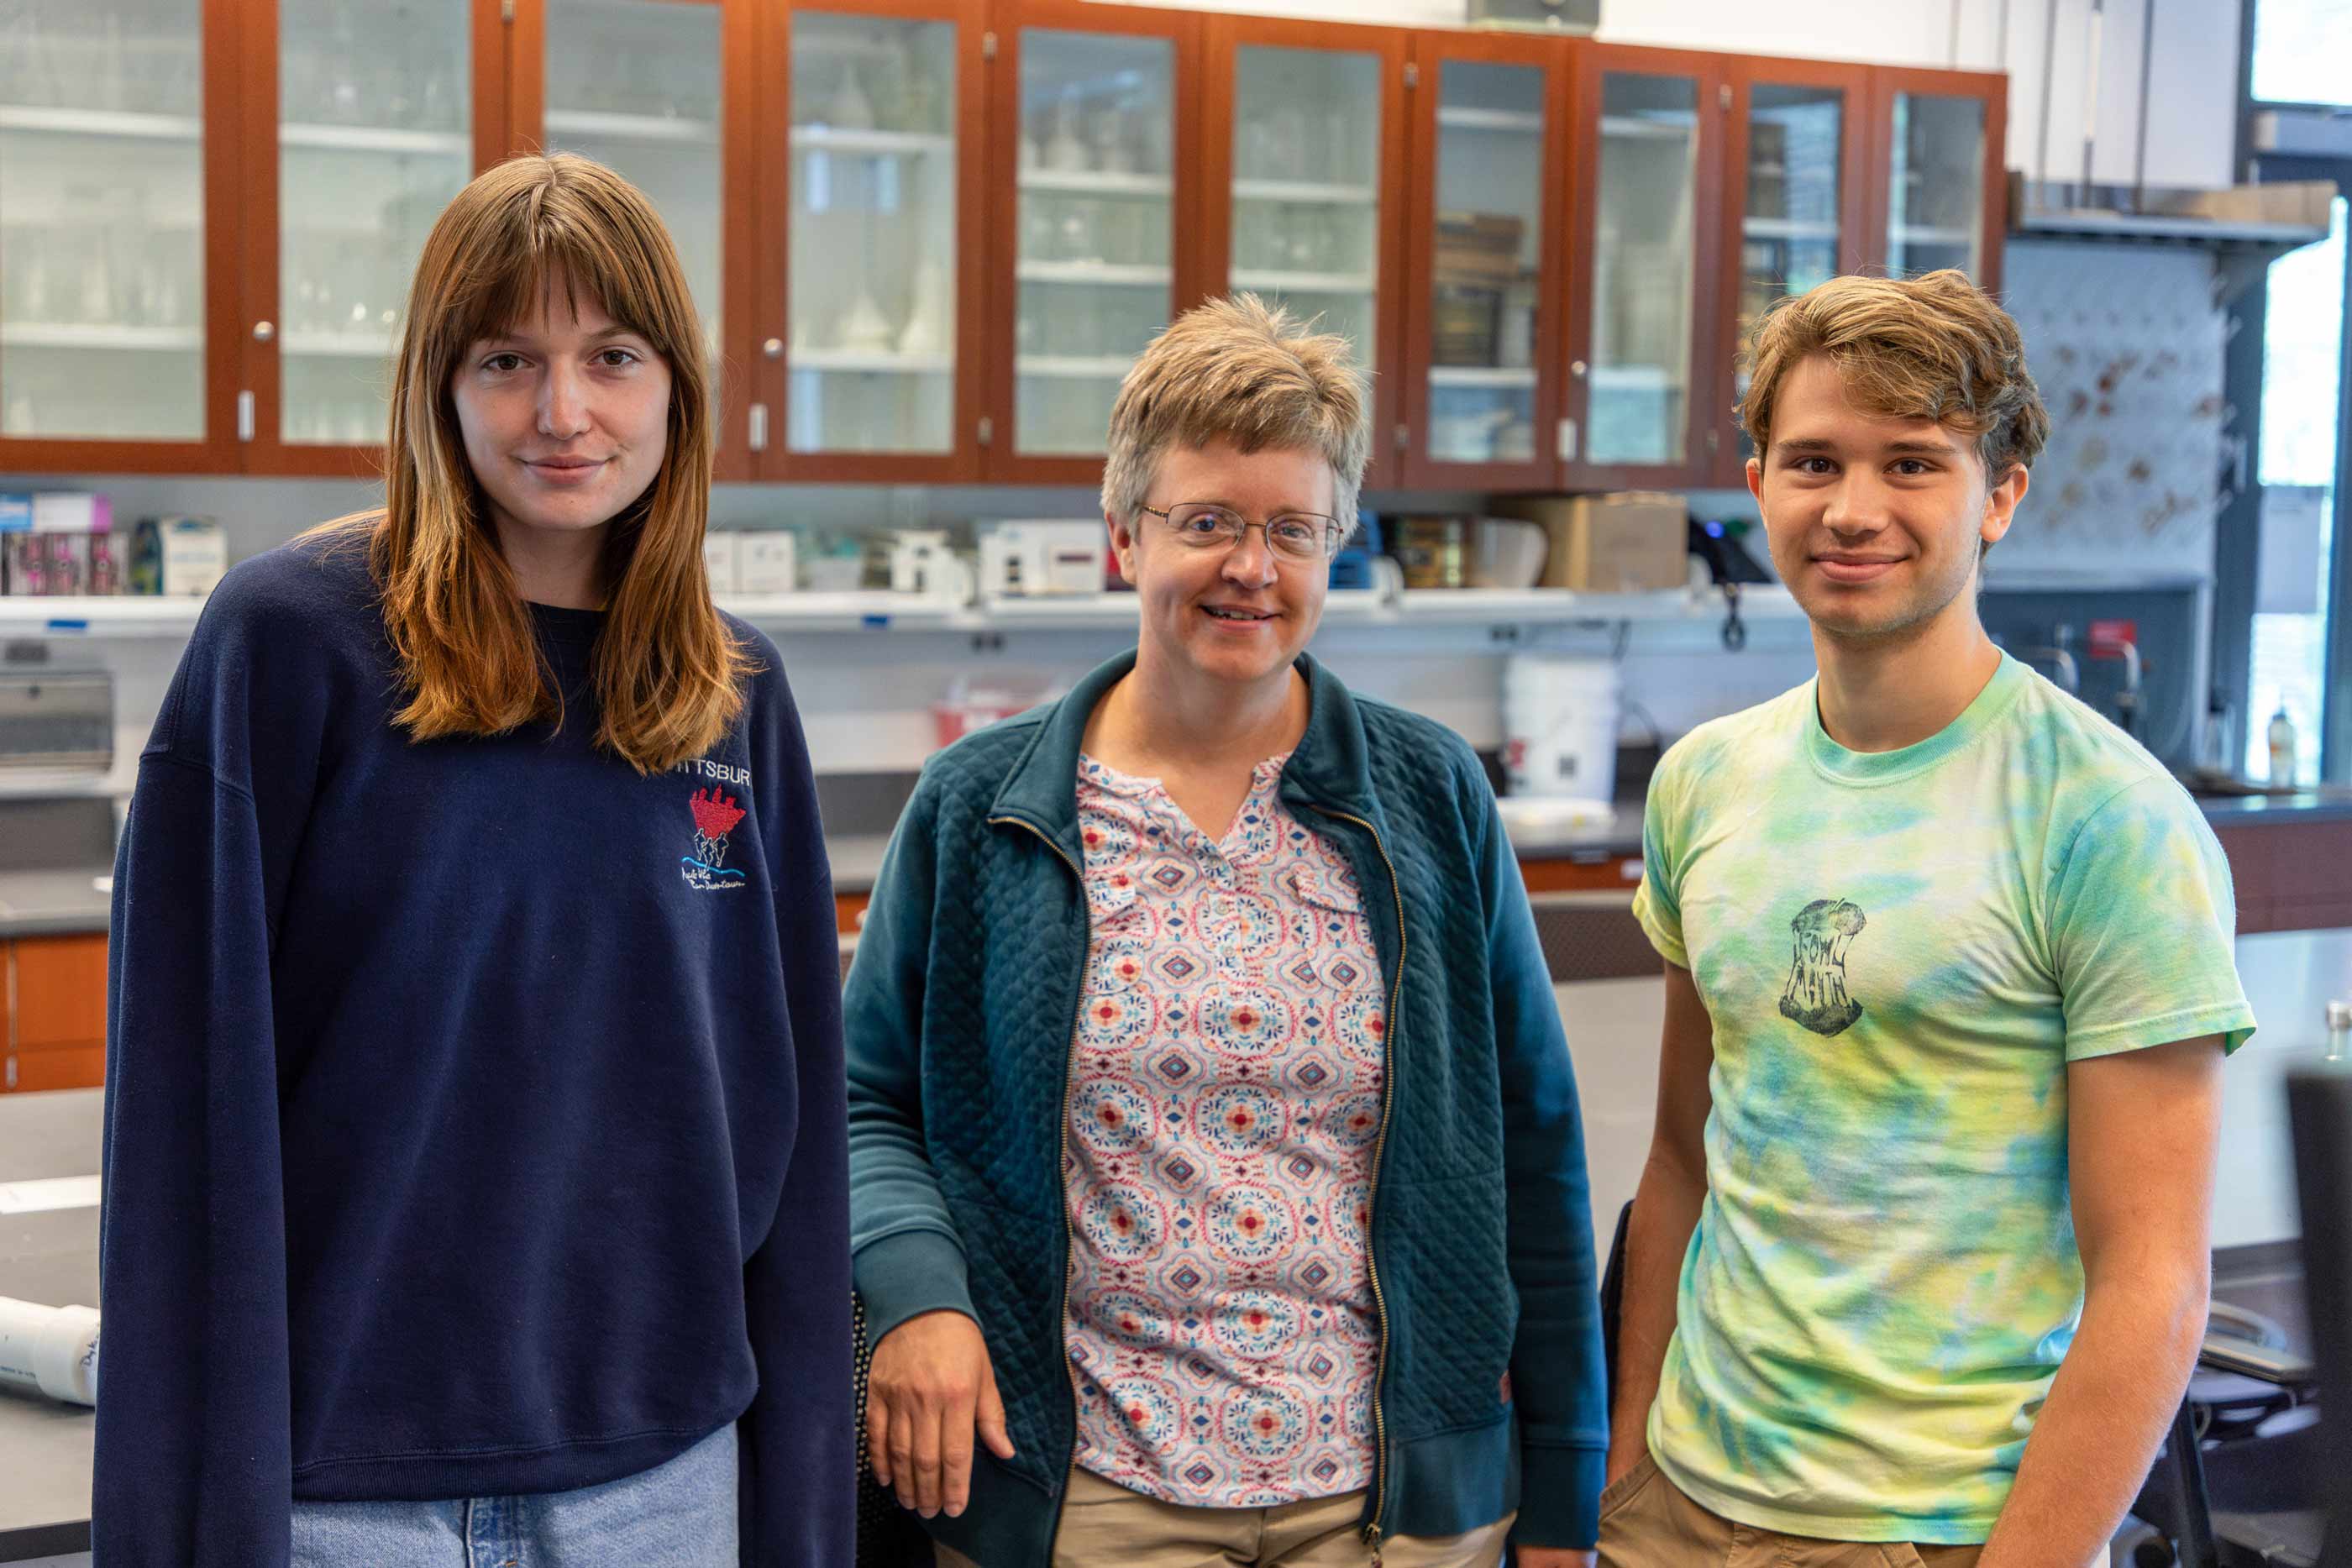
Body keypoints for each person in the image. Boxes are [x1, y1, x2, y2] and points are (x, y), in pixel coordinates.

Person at [95, 153, 850, 1567]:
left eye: (612, 358)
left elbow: (789, 1140)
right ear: (437, 386)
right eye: (509, 359)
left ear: (677, 385)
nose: (564, 413)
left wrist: (803, 1511)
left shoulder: (735, 696)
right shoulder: (290, 644)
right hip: (347, 1497)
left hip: (663, 1486)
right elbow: (182, 1143)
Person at [844, 294, 1607, 1568]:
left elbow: (1534, 1140)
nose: (1251, 568)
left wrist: (1566, 1489)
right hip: (1082, 1493)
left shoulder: (1426, 796)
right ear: (1124, 537)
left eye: (1291, 531)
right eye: (1206, 523)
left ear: (1335, 547)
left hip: (1396, 1506)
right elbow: (866, 1101)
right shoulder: (984, 808)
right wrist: (916, 1300)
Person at [1600, 270, 2257, 1568]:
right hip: (1679, 1505)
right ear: (1758, 480)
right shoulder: (1706, 781)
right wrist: (1629, 1462)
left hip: (1940, 1530)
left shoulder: (2106, 819)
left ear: (1999, 494)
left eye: (1913, 463)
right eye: (1813, 461)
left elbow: (2157, 1282)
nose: (1853, 510)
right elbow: (1685, 1160)